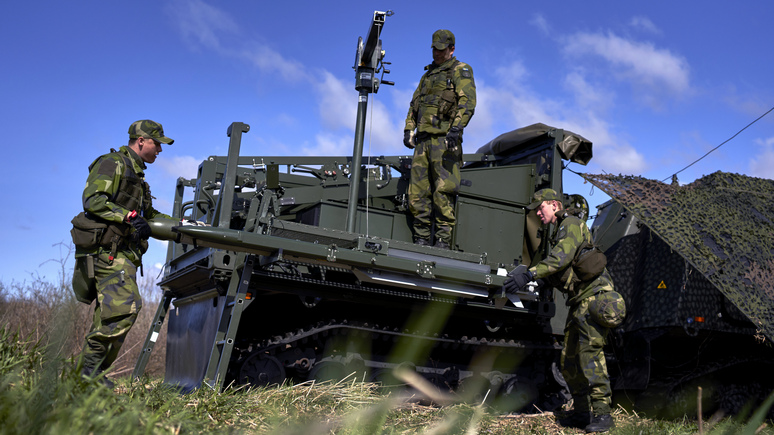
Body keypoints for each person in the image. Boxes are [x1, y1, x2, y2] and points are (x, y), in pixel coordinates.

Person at [503, 188, 625, 433]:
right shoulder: (558, 230)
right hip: (578, 301)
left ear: (554, 205)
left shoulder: (571, 224)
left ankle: (603, 415)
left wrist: (530, 273)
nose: (538, 213)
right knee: (569, 362)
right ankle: (581, 413)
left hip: (594, 298)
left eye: (540, 207)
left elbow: (560, 259)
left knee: (590, 357)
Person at [70, 120, 175, 388]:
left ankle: (84, 380)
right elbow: (93, 200)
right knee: (124, 309)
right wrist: (127, 216)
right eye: (157, 144)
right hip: (107, 252)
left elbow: (150, 216)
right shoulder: (113, 163)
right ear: (141, 141)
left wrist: (181, 225)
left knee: (116, 312)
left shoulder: (139, 178)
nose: (160, 151)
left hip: (124, 255)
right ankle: (87, 377)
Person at [403, 29, 476, 249]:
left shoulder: (460, 70)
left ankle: (443, 241)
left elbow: (467, 102)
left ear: (451, 49)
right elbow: (414, 104)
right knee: (417, 193)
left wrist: (456, 129)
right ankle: (421, 238)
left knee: (443, 192)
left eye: (441, 49)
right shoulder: (427, 76)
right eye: (435, 48)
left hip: (445, 141)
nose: (437, 53)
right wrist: (409, 129)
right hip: (423, 142)